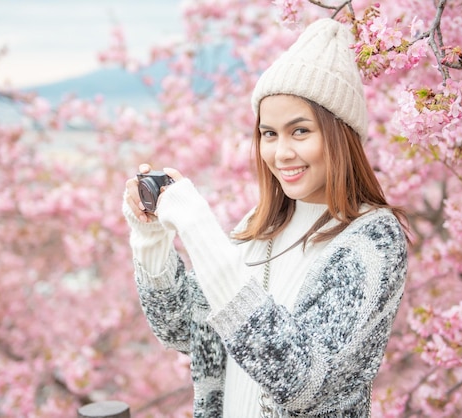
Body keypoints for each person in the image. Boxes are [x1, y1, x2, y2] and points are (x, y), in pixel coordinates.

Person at [122, 17, 409, 418]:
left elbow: (304, 384)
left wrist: (199, 228)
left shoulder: (372, 241)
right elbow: (182, 330)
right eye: (269, 134)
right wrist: (151, 238)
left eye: (301, 131)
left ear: (341, 136)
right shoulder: (259, 226)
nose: (281, 153)